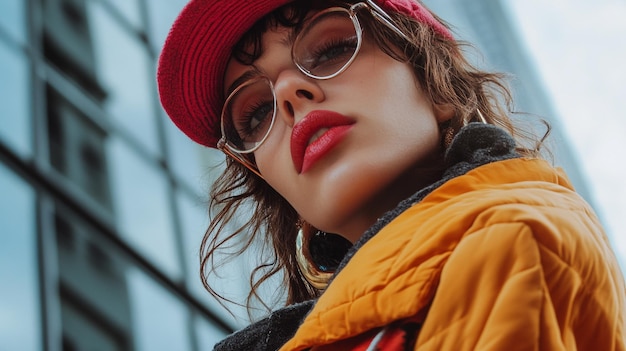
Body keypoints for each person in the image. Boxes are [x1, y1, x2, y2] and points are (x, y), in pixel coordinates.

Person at [157, 0, 626, 349]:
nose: (287, 93)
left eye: (331, 48)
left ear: (437, 84)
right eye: (256, 113)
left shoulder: (511, 234)